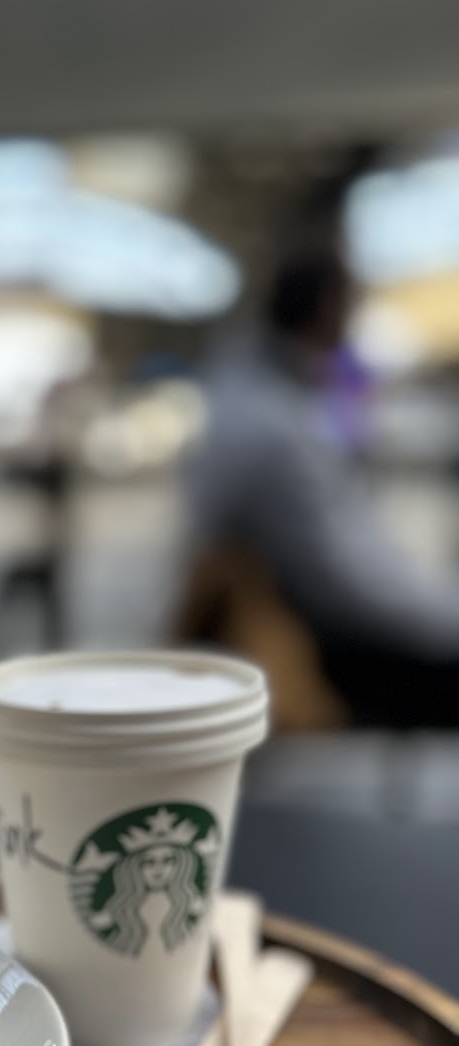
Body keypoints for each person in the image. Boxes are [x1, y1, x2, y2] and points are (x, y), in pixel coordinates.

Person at [185, 235, 459, 728]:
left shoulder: (253, 393)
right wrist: (444, 618)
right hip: (327, 643)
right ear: (328, 305)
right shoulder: (273, 425)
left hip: (320, 618)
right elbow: (344, 578)